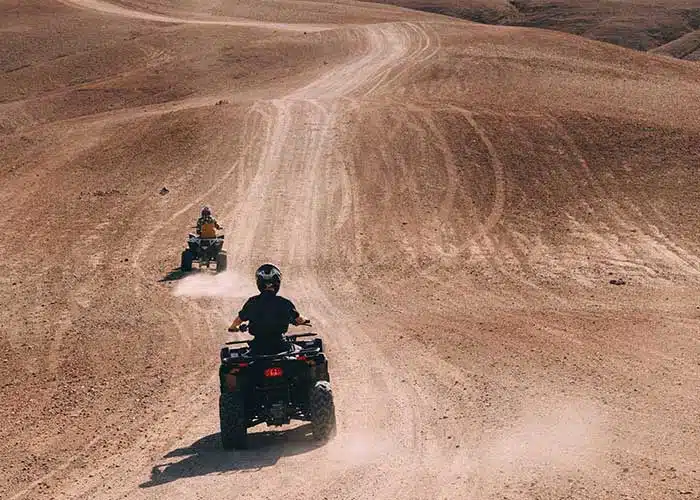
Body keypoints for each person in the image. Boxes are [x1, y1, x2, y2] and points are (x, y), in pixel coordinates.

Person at [228, 264, 310, 354]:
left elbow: (238, 320)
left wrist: (234, 327)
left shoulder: (252, 302)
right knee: (302, 352)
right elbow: (299, 319)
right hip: (281, 346)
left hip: (258, 348)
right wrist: (304, 320)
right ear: (277, 283)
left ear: (259, 283)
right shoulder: (284, 303)